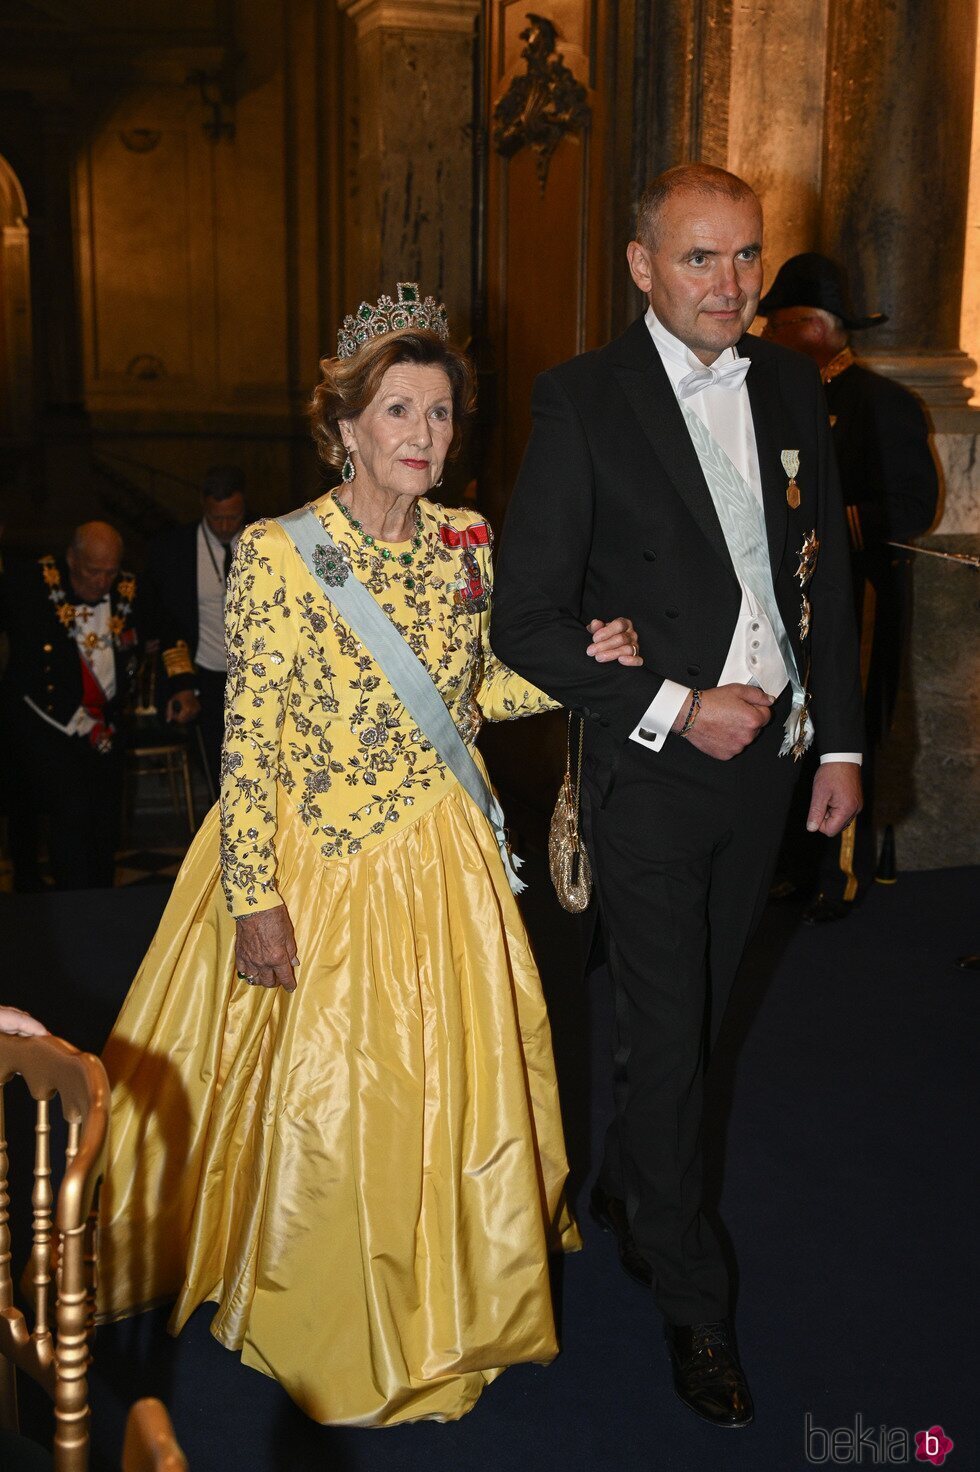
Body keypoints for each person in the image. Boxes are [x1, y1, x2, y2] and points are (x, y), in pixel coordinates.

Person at [95, 286, 642, 1426]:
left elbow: (475, 695)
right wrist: (255, 898)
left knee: (452, 1082)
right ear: (342, 425)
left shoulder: (467, 543)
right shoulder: (279, 554)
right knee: (325, 1098)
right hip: (316, 856)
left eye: (440, 414)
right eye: (396, 410)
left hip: (443, 851)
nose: (422, 436)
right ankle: (320, 1296)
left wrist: (586, 662)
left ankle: (452, 1286)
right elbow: (248, 746)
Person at [491, 165, 864, 1428]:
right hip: (652, 774)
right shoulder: (582, 400)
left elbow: (827, 575)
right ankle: (692, 1303)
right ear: (642, 266)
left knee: (689, 1023)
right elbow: (526, 621)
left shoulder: (789, 383)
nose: (730, 284)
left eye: (747, 256)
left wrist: (840, 747)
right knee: (668, 1036)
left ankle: (633, 1197)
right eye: (700, 258)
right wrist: (670, 702)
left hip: (770, 770)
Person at [759, 253, 939, 921]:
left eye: (779, 323)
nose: (768, 335)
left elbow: (913, 505)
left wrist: (823, 527)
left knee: (847, 725)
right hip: (782, 598)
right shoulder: (773, 395)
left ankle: (840, 873)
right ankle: (785, 865)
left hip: (855, 596)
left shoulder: (885, 403)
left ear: (816, 326)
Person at [0, 521, 197, 891]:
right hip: (46, 726)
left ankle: (101, 905)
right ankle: (72, 907)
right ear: (71, 559)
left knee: (105, 825)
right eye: (93, 571)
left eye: (110, 571)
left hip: (107, 727)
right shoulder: (32, 584)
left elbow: (170, 634)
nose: (102, 581)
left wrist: (183, 687)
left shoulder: (132, 590)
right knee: (68, 819)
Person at [143, 466, 247, 793]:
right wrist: (181, 682)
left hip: (253, 675)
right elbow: (165, 620)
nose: (226, 527)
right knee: (217, 773)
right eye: (217, 519)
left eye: (234, 517)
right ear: (203, 507)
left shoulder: (266, 540)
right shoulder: (173, 550)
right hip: (204, 673)